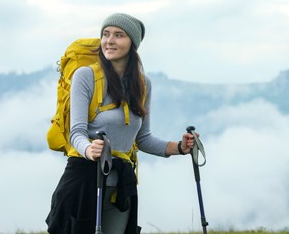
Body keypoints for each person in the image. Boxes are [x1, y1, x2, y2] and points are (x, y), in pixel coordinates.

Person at [46, 13, 198, 234]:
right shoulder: (86, 76)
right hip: (84, 180)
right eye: (106, 34)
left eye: (119, 35)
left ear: (132, 43)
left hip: (121, 186)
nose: (110, 40)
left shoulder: (143, 84)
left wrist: (181, 148)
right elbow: (76, 132)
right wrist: (90, 150)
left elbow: (143, 139)